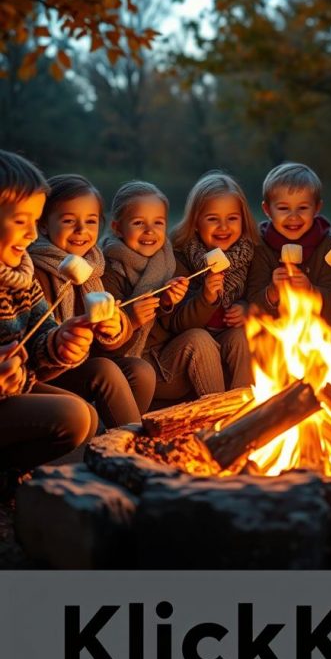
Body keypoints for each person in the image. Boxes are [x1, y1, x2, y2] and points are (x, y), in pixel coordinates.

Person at [30, 174, 156, 425]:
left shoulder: (97, 269)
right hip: (49, 371)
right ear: (43, 225)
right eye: (68, 221)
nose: (81, 231)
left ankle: (110, 440)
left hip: (85, 364)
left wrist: (117, 328)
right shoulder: (36, 271)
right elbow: (36, 347)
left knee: (141, 371)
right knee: (104, 370)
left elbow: (107, 349)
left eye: (90, 221)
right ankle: (131, 451)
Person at [0, 151, 96, 476]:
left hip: (14, 390)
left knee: (89, 417)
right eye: (20, 220)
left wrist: (61, 342)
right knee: (73, 416)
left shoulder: (21, 276)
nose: (31, 233)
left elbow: (41, 343)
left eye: (34, 221)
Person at [101, 180, 197, 400]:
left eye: (158, 223)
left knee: (199, 339)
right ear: (117, 228)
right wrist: (131, 320)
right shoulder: (108, 270)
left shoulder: (168, 261)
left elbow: (174, 325)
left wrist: (167, 302)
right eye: (138, 223)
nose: (149, 231)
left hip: (163, 356)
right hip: (128, 365)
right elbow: (104, 344)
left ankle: (224, 426)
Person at [167, 171, 260, 397]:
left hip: (229, 337)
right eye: (212, 219)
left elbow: (260, 293)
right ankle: (216, 415)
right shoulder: (182, 256)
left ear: (243, 220)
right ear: (196, 222)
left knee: (242, 336)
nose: (223, 227)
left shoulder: (250, 254)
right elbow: (178, 323)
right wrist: (206, 297)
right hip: (196, 342)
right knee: (203, 340)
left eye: (232, 218)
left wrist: (248, 309)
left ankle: (243, 411)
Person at [246, 162, 331, 322]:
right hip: (275, 331)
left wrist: (310, 290)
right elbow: (252, 301)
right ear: (267, 210)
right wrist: (272, 291)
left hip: (319, 329)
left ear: (317, 208)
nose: (293, 217)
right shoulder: (260, 247)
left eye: (302, 208)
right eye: (283, 208)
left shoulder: (327, 247)